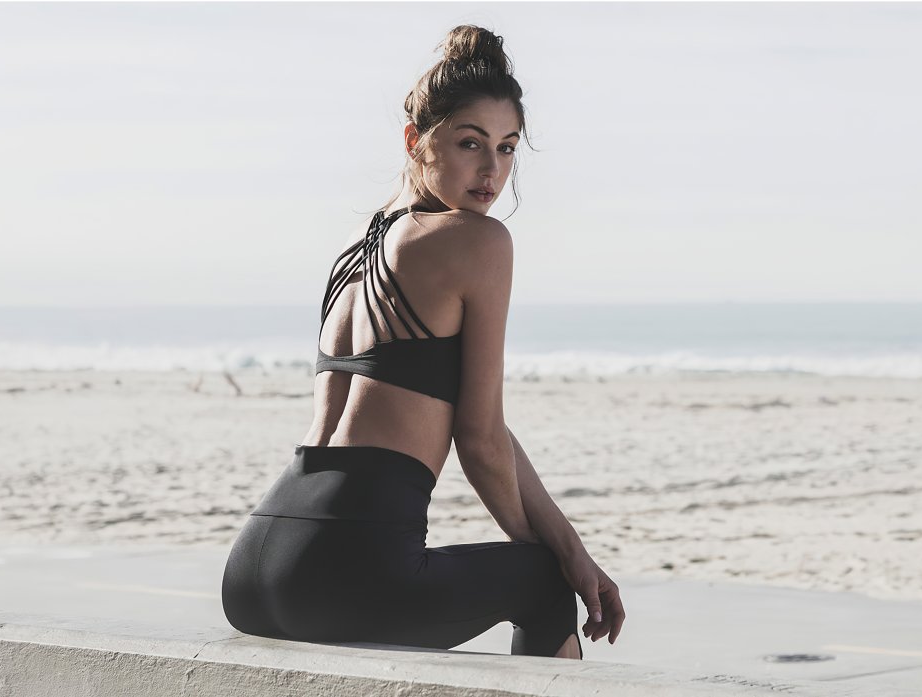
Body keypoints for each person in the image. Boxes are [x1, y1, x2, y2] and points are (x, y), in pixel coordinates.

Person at [221, 24, 624, 660]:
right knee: (543, 582)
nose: (492, 169)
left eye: (508, 147)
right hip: (347, 573)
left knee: (545, 566)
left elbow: (487, 428)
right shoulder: (476, 241)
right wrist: (560, 562)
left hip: (255, 567)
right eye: (470, 143)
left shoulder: (360, 246)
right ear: (416, 140)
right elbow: (481, 440)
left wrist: (563, 544)